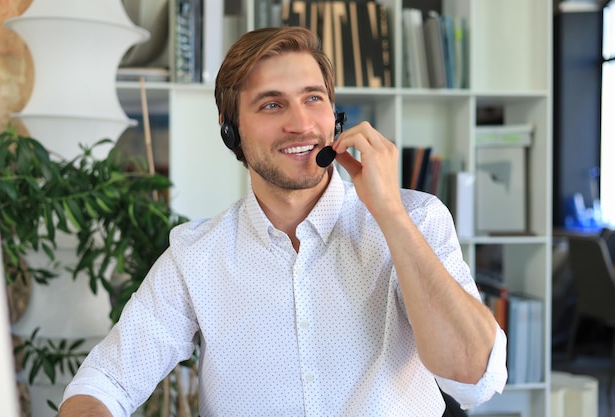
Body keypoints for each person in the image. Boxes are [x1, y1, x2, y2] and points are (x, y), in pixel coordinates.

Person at [58, 26, 507, 417]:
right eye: (271, 105)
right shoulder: (196, 256)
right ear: (230, 128)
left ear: (335, 116)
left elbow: (474, 380)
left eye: (313, 99)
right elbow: (102, 386)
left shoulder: (417, 219)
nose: (300, 124)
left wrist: (389, 214)